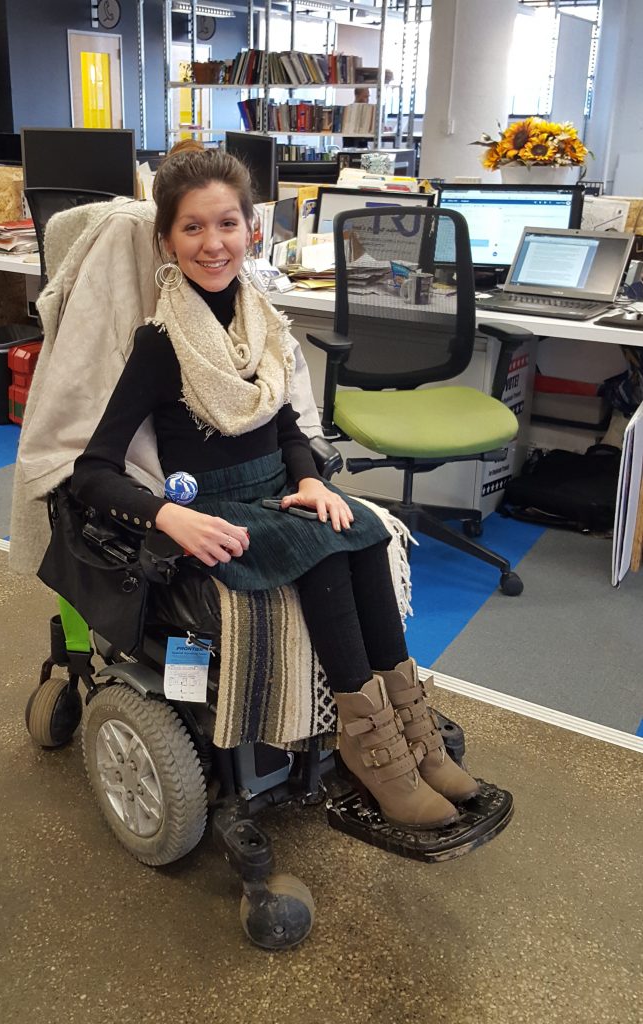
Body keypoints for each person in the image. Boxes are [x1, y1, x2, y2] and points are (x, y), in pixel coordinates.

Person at [70, 145, 479, 830]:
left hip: (277, 492)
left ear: (252, 228)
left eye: (226, 224)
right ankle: (369, 744)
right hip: (215, 506)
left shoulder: (259, 320)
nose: (212, 243)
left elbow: (285, 423)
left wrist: (313, 480)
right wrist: (170, 516)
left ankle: (410, 727)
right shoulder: (160, 341)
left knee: (361, 527)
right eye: (192, 228)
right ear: (166, 241)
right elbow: (92, 471)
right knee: (318, 547)